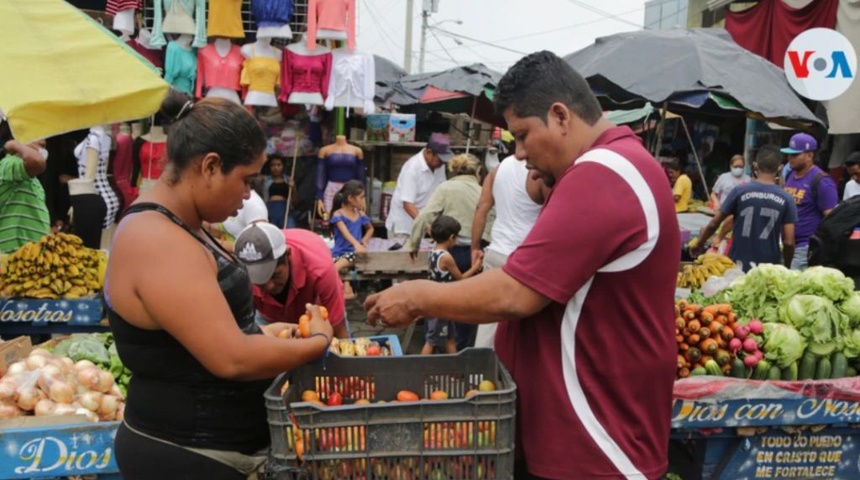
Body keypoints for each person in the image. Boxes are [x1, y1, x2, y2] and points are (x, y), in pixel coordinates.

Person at [365, 51, 679, 480]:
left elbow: (515, 293)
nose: (520, 153)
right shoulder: (611, 166)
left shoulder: (605, 173)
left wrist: (418, 297)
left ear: (561, 115)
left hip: (597, 443)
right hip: (580, 437)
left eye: (524, 135)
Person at [105, 90, 333, 480]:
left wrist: (262, 333)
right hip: (186, 455)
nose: (248, 195)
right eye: (246, 180)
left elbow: (200, 332)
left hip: (211, 450)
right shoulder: (157, 239)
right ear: (210, 166)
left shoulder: (185, 225)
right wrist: (318, 343)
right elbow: (231, 358)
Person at [405, 153, 491, 350]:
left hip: (449, 250)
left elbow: (424, 216)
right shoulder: (482, 190)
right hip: (475, 252)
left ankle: (433, 344)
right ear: (478, 172)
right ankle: (460, 350)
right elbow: (492, 218)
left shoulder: (445, 187)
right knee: (468, 302)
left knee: (438, 298)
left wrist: (414, 244)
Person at [471, 154, 547, 348]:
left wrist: (475, 247)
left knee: (489, 319)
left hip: (496, 251)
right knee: (524, 325)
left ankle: (480, 373)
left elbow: (482, 207)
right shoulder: (538, 173)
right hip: (523, 258)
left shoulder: (499, 169)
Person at [691, 145, 797, 272]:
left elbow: (714, 223)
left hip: (737, 264)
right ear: (780, 167)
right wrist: (787, 266)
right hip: (769, 267)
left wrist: (699, 243)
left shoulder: (739, 191)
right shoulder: (787, 198)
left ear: (755, 165)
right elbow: (789, 242)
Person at [236, 222, 350, 339]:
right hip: (269, 317)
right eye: (259, 280)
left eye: (275, 275)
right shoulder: (239, 277)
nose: (269, 286)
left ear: (288, 255)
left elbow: (338, 329)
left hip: (315, 314)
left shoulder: (321, 270)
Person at [422, 215, 483, 355]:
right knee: (431, 341)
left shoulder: (433, 252)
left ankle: (455, 371)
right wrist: (476, 266)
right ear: (451, 238)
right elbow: (460, 279)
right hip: (440, 302)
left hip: (438, 300)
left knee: (451, 337)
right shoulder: (446, 257)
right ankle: (421, 370)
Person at [781, 132, 838, 270]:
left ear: (809, 155)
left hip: (805, 248)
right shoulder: (790, 174)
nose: (790, 158)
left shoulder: (822, 182)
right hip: (787, 245)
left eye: (795, 155)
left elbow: (832, 219)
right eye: (789, 154)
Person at [384, 132, 452, 243]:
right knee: (401, 259)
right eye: (440, 160)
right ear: (429, 152)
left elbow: (442, 191)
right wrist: (426, 226)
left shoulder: (439, 166)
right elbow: (408, 205)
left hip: (423, 221)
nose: (442, 163)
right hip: (403, 226)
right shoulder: (412, 168)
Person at [0, 119, 50, 254]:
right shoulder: (9, 164)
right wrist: (16, 145)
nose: (43, 142)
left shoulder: (32, 179)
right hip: (13, 256)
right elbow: (37, 161)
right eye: (37, 137)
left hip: (31, 256)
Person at [330, 180, 373, 300]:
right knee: (334, 267)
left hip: (354, 253)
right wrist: (357, 245)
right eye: (361, 197)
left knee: (340, 265)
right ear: (350, 198)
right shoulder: (338, 215)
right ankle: (342, 289)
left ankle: (345, 288)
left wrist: (364, 240)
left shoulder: (360, 214)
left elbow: (370, 229)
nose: (363, 200)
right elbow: (346, 233)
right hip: (340, 252)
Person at [260, 154, 296, 228]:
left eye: (279, 165)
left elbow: (296, 200)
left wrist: (293, 188)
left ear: (283, 166)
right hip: (270, 208)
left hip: (285, 209)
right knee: (272, 230)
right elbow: (255, 174)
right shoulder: (265, 179)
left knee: (289, 228)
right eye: (272, 165)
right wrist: (264, 160)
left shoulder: (288, 180)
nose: (275, 168)